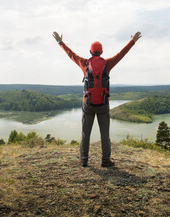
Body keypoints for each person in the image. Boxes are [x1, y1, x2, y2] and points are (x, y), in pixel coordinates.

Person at [52, 31, 142, 167]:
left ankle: (83, 160)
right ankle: (105, 160)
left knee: (85, 133)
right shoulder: (107, 63)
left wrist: (60, 42)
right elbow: (121, 54)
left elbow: (71, 54)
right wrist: (132, 41)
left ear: (90, 51)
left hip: (88, 104)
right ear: (101, 52)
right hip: (103, 104)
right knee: (104, 134)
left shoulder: (84, 63)